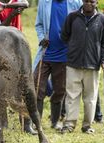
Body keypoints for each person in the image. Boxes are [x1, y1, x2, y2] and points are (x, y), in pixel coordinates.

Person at [60, 0, 104, 134]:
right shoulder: (72, 17)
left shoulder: (103, 20)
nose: (88, 3)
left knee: (90, 97)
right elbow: (64, 35)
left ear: (97, 3)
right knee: (72, 95)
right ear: (82, 1)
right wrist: (74, 47)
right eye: (86, 1)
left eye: (91, 1)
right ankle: (69, 125)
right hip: (73, 63)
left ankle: (87, 125)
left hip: (92, 64)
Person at [0, 0, 36, 135]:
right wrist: (11, 16)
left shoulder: (15, 2)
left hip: (19, 48)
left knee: (24, 86)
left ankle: (26, 124)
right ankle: (3, 124)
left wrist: (6, 7)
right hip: (2, 48)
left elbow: (26, 4)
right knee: (1, 87)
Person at [33, 0, 82, 130]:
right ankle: (36, 123)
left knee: (60, 90)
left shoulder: (75, 3)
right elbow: (38, 24)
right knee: (37, 87)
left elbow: (82, 22)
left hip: (64, 55)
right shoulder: (44, 2)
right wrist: (41, 37)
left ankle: (55, 122)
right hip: (45, 54)